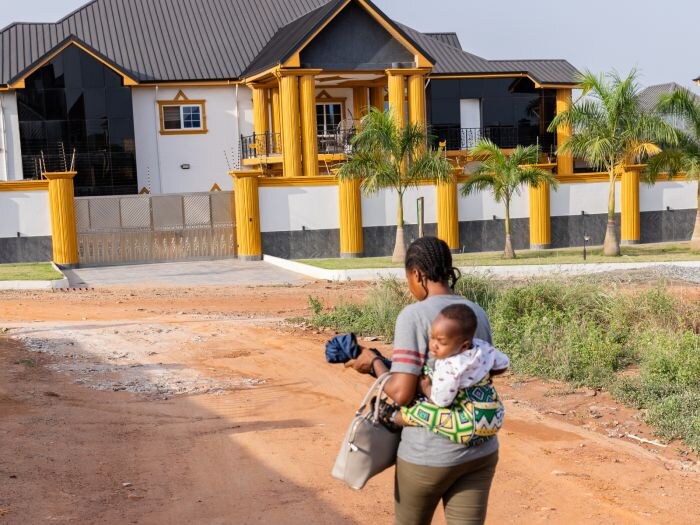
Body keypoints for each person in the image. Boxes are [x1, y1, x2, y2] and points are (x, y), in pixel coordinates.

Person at [349, 237, 502, 525]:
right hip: (480, 451)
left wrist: (375, 364)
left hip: (429, 454)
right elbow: (486, 370)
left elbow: (402, 394)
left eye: (408, 278)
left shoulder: (413, 316)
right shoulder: (475, 312)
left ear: (417, 274)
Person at [390, 303, 509, 446]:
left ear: (464, 346)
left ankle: (394, 417)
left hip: (469, 427)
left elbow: (441, 401)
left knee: (421, 410)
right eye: (432, 337)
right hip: (495, 417)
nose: (433, 345)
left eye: (442, 341)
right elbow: (503, 364)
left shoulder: (450, 366)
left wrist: (426, 388)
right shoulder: (482, 347)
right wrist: (481, 374)